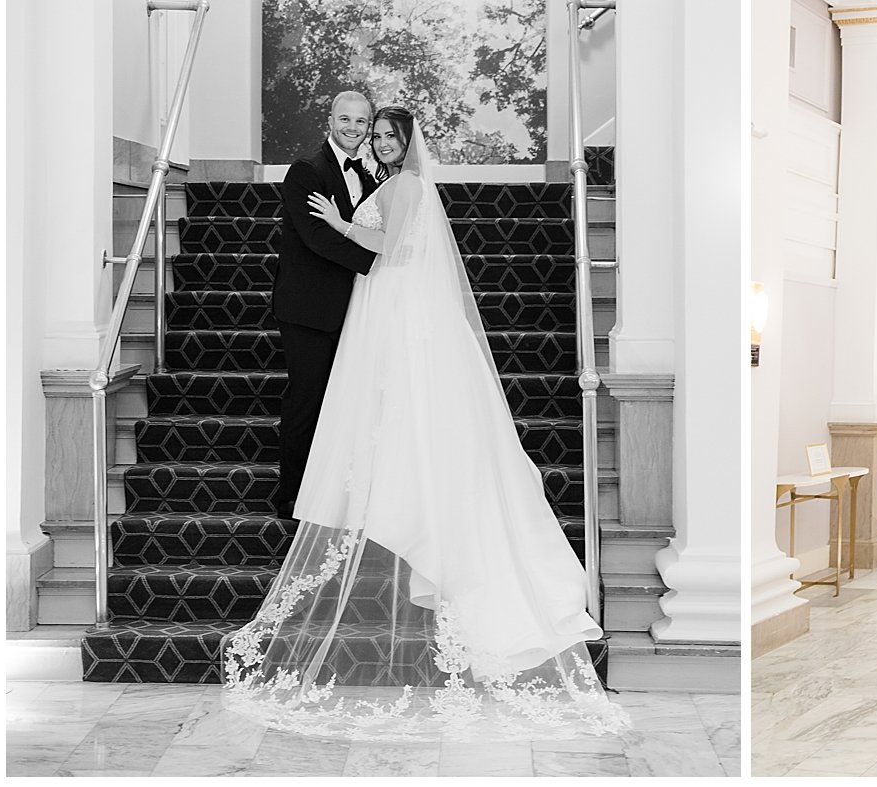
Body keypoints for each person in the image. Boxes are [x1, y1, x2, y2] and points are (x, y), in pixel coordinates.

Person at [223, 108, 626, 739]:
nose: (379, 141)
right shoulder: (381, 181)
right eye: (373, 133)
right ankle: (399, 504)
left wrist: (337, 223)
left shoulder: (405, 185)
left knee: (408, 413)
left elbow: (396, 246)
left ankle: (420, 521)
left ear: (407, 143)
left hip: (401, 310)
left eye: (388, 135)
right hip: (385, 307)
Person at [271, 91, 379, 520]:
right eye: (345, 119)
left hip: (352, 309)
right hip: (309, 310)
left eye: (361, 121)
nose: (352, 128)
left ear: (369, 126)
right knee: (306, 403)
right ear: (329, 120)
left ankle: (332, 495)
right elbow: (318, 238)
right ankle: (292, 500)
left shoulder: (369, 175)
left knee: (344, 405)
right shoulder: (306, 171)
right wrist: (379, 263)